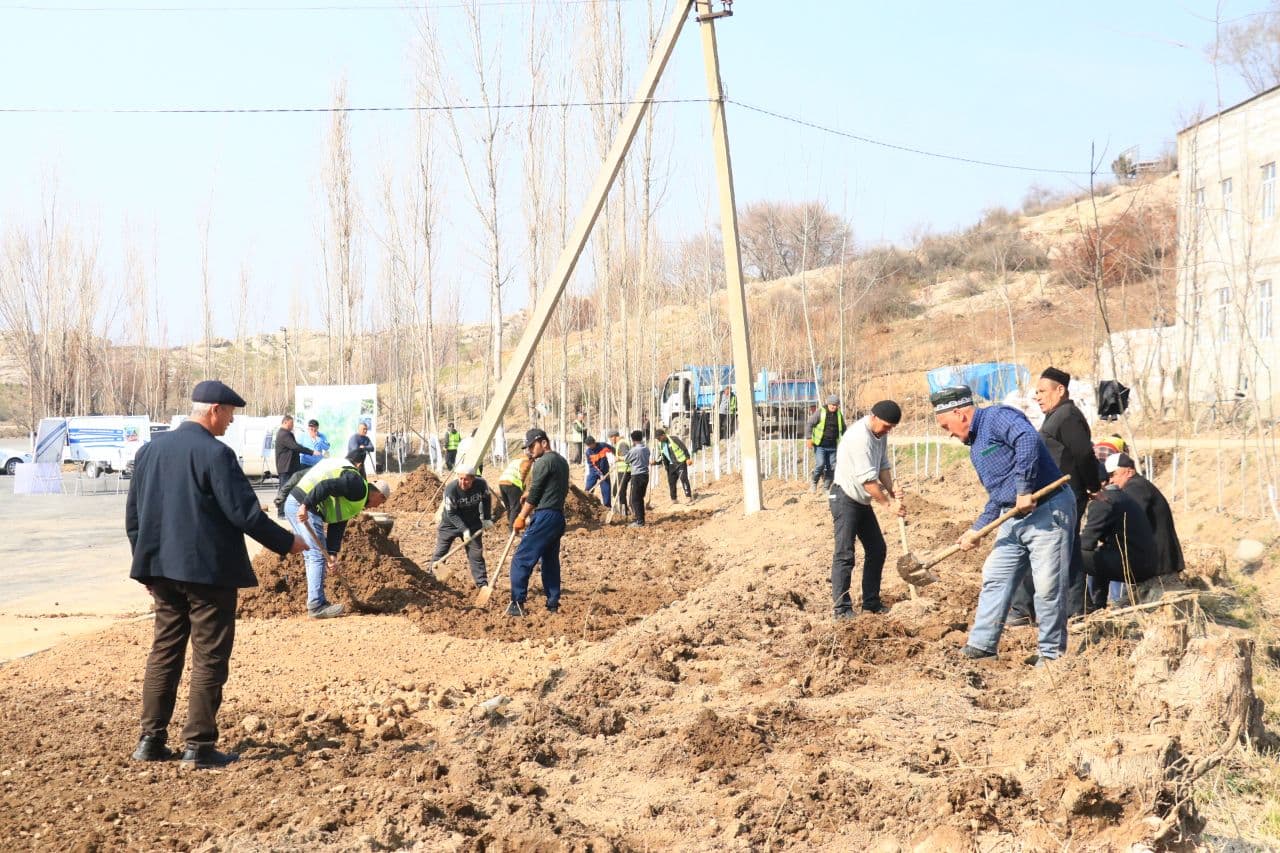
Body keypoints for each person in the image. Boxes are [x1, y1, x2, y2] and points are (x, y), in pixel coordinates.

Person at [126, 380, 306, 769]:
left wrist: (146, 570)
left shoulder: (149, 451)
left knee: (164, 653)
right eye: (230, 415)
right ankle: (198, 746)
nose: (230, 422)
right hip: (207, 575)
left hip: (161, 571)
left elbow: (134, 519)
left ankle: (150, 741)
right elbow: (244, 514)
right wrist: (287, 543)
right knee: (209, 657)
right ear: (215, 410)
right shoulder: (216, 454)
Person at [932, 385, 1075, 665]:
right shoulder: (976, 449)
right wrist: (976, 530)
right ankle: (982, 645)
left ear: (959, 413)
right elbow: (997, 497)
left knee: (1047, 586)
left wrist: (1023, 488)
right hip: (1013, 517)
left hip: (1048, 508)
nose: (947, 432)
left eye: (945, 425)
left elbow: (1027, 439)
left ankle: (1051, 655)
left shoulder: (997, 417)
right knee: (995, 575)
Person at [1008, 367, 1101, 624]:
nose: (1037, 397)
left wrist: (1093, 486)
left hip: (1065, 495)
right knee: (1064, 549)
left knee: (1043, 547)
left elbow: (1083, 454)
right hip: (1053, 494)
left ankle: (1026, 609)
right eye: (1035, 392)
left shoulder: (1068, 416)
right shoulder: (1056, 415)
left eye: (1041, 391)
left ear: (1060, 390)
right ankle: (1076, 606)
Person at [284, 457, 392, 618]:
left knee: (313, 554)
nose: (377, 506)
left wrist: (333, 553)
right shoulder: (357, 485)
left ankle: (316, 601)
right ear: (379, 495)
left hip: (298, 503)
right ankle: (316, 605)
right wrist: (305, 505)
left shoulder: (356, 498)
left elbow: (338, 522)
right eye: (380, 503)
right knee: (316, 555)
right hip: (304, 505)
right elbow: (326, 486)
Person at [829, 400, 905, 618]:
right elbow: (868, 482)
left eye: (891, 428)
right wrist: (888, 505)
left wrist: (892, 490)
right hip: (845, 497)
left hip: (862, 500)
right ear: (873, 417)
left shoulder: (880, 434)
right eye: (886, 426)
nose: (888, 430)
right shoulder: (859, 438)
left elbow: (882, 466)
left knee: (877, 549)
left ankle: (871, 603)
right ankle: (841, 609)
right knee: (845, 554)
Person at [507, 429, 571, 616]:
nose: (530, 451)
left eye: (532, 446)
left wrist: (521, 516)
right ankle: (552, 603)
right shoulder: (561, 461)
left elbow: (535, 493)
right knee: (550, 561)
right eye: (527, 448)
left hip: (544, 516)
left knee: (521, 559)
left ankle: (516, 603)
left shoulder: (543, 461)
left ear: (544, 443)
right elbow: (554, 487)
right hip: (558, 516)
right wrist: (532, 495)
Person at [1080, 462, 1159, 606]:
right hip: (1146, 562)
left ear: (1101, 482)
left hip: (1133, 565)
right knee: (1098, 555)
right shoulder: (1121, 496)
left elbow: (1086, 542)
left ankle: (1082, 608)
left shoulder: (1103, 501)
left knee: (1073, 556)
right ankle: (1098, 605)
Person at [1105, 452, 1185, 595]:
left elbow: (1129, 520)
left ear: (1129, 471)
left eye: (1113, 474)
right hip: (1158, 561)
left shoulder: (1135, 487)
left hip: (1159, 566)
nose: (1110, 480)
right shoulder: (1137, 485)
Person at [432, 463, 494, 588]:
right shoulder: (451, 489)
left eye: (466, 479)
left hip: (473, 523)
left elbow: (486, 499)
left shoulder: (481, 484)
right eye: (460, 478)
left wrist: (487, 518)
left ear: (473, 478)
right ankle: (431, 579)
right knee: (440, 553)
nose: (462, 482)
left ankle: (482, 584)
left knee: (476, 555)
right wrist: (464, 530)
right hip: (449, 524)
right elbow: (451, 513)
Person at [807, 394, 847, 493]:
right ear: (828, 404)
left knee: (832, 468)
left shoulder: (839, 415)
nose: (833, 406)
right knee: (820, 464)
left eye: (836, 405)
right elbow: (809, 424)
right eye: (832, 404)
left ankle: (826, 487)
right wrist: (808, 438)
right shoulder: (820, 412)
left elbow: (844, 429)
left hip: (833, 446)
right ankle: (814, 481)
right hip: (820, 445)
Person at [272, 414, 310, 519]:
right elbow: (295, 447)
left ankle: (287, 511)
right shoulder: (284, 434)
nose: (292, 425)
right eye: (291, 423)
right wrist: (311, 452)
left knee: (289, 489)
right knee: (284, 489)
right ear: (285, 422)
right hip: (285, 468)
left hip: (290, 467)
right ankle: (281, 513)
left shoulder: (286, 433)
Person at [652, 427, 693, 503]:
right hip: (671, 465)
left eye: (659, 438)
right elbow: (662, 456)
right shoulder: (661, 444)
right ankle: (674, 499)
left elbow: (683, 448)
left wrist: (688, 458)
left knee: (683, 479)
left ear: (663, 435)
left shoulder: (674, 439)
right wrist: (655, 462)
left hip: (680, 462)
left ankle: (688, 497)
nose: (658, 440)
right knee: (671, 482)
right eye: (657, 439)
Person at [497, 447, 534, 530]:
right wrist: (522, 487)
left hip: (502, 482)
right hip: (512, 483)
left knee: (509, 507)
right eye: (533, 461)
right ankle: (512, 528)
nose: (532, 463)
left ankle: (511, 524)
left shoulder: (516, 460)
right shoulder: (527, 461)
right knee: (516, 507)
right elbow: (523, 473)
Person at [625, 430, 651, 527]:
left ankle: (640, 521)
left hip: (637, 475)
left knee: (635, 498)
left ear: (633, 440)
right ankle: (640, 518)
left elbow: (626, 460)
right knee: (640, 498)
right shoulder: (646, 449)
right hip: (645, 475)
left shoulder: (634, 450)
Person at [584, 435, 615, 508]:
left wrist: (616, 455)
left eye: (590, 445)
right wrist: (600, 474)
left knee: (606, 490)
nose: (590, 447)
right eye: (588, 446)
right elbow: (592, 465)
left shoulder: (603, 446)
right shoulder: (588, 452)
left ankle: (607, 507)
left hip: (605, 471)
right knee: (588, 488)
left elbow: (613, 449)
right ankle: (588, 504)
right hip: (594, 472)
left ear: (594, 442)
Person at [610, 429, 631, 517]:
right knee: (616, 491)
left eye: (611, 438)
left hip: (625, 470)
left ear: (614, 437)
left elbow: (627, 457)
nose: (611, 441)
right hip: (621, 471)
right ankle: (624, 509)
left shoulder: (622, 443)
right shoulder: (620, 443)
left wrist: (619, 459)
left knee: (620, 491)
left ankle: (624, 511)